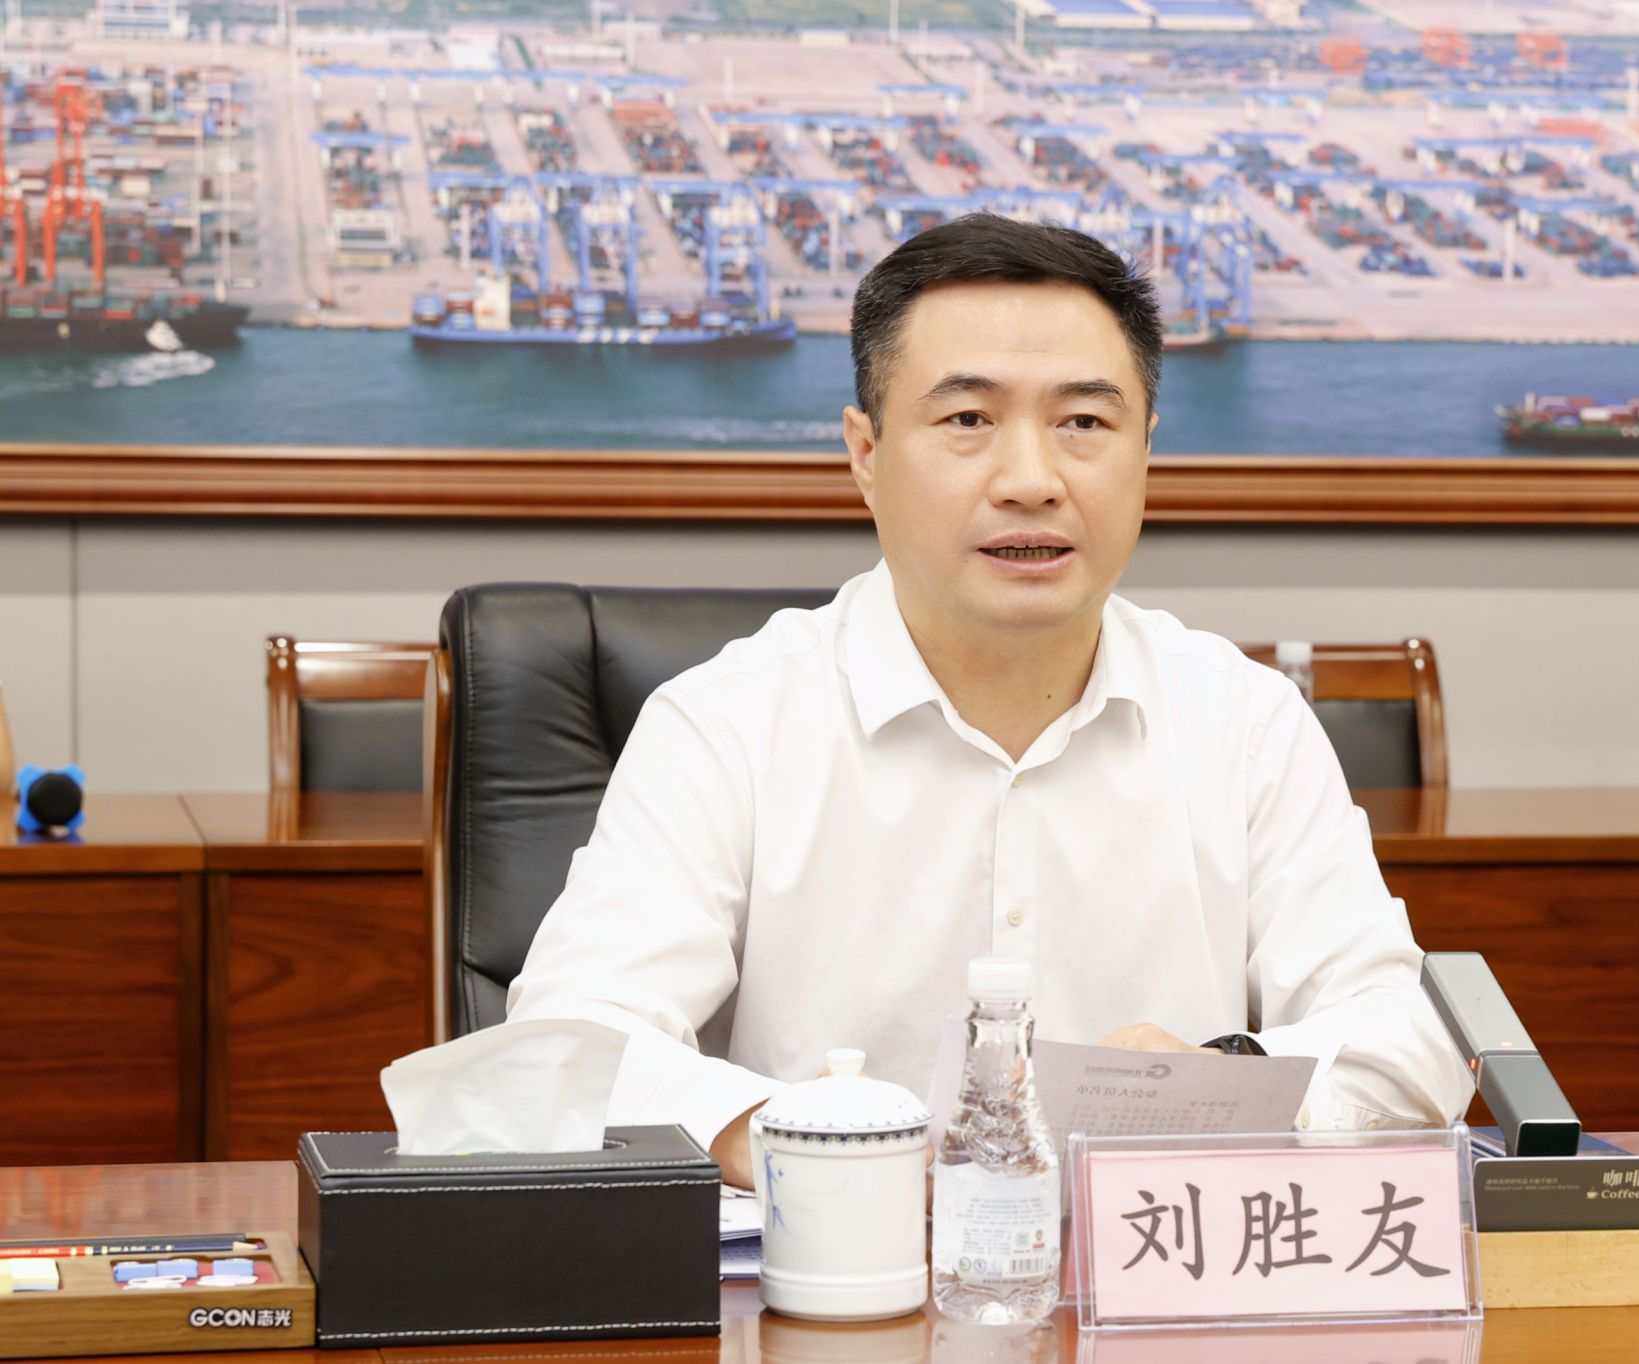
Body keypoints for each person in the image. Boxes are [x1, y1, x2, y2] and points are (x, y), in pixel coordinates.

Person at [506, 214, 1473, 1188]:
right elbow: (567, 1042)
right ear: (865, 453)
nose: (1030, 481)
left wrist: (1219, 1077)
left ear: (1146, 450)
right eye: (967, 419)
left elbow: (1406, 1041)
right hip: (835, 1265)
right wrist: (831, 1147)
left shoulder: (1245, 723)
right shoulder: (727, 725)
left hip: (1146, 1269)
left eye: (1083, 423)